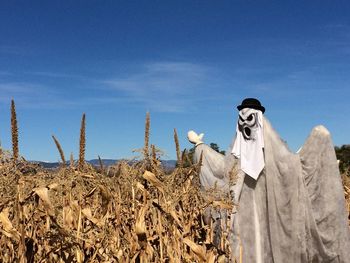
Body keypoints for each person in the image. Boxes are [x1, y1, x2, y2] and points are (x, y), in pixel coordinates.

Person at [188, 98, 350, 262]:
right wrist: (201, 146)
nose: (246, 124)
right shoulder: (238, 154)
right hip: (244, 222)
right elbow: (222, 168)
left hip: (272, 224)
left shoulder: (275, 155)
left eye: (250, 117)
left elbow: (294, 168)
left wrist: (317, 143)